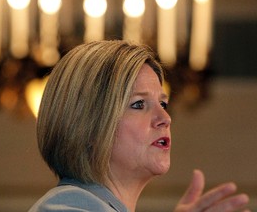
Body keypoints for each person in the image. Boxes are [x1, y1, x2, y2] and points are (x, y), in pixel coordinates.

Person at [29, 40, 250, 212]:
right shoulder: (67, 206)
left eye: (163, 103)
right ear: (87, 127)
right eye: (139, 104)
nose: (165, 117)